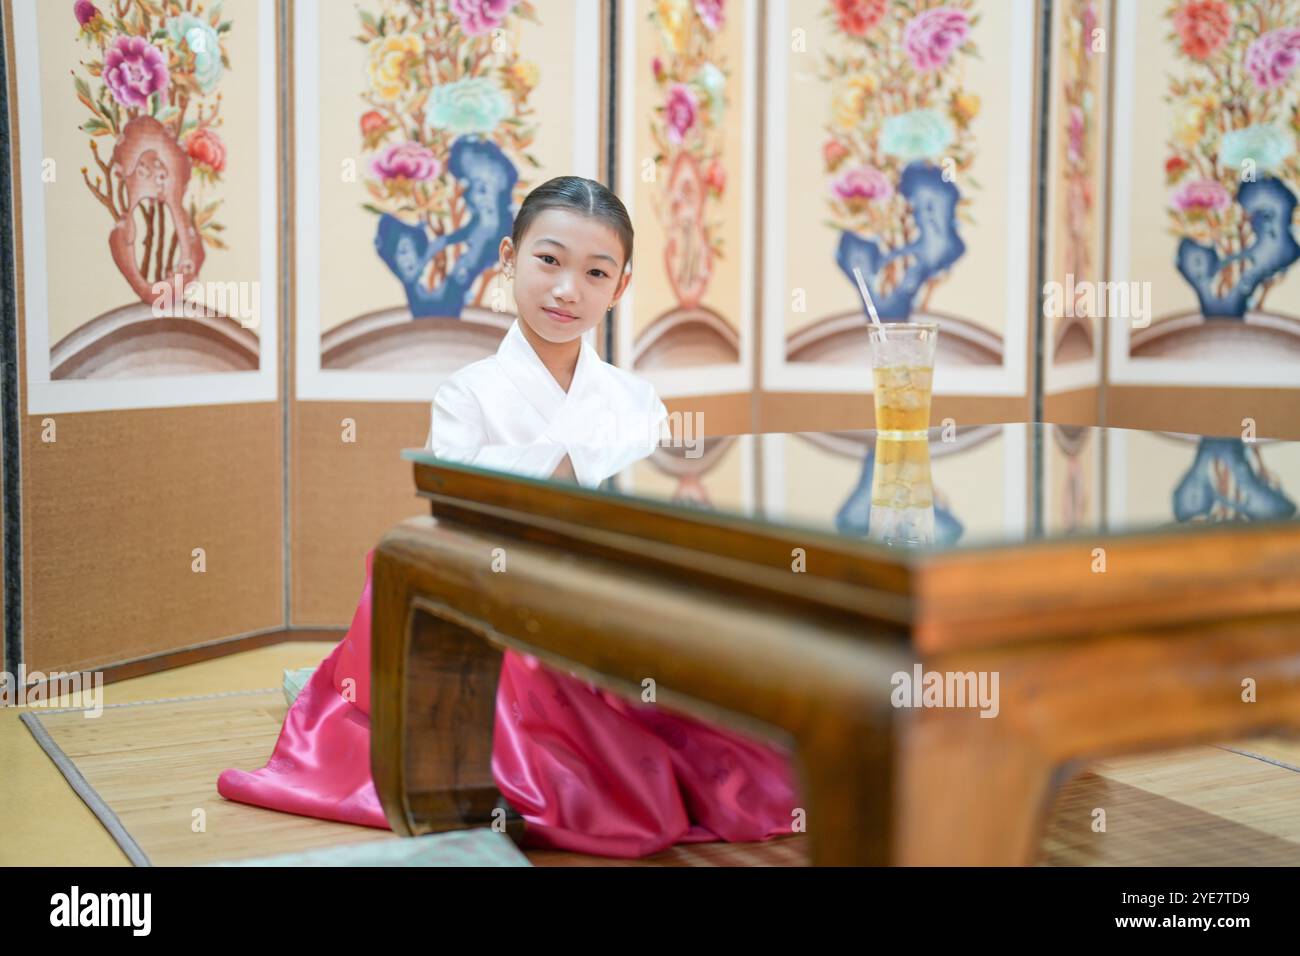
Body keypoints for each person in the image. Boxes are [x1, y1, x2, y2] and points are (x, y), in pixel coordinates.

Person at [217, 176, 801, 858]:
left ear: (621, 286)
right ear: (508, 257)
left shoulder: (634, 396)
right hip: (503, 585)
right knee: (404, 574)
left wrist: (564, 465)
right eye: (548, 260)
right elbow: (460, 504)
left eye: (595, 272)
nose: (566, 290)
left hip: (609, 587)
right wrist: (578, 458)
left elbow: (646, 505)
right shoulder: (467, 393)